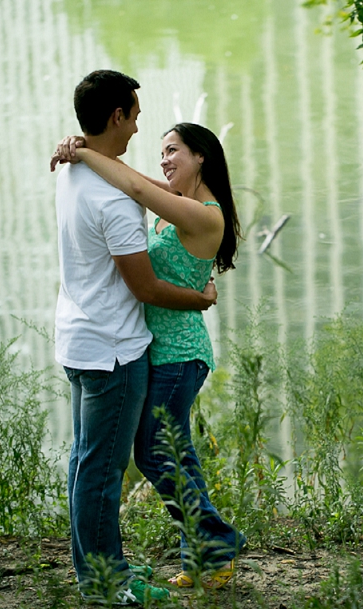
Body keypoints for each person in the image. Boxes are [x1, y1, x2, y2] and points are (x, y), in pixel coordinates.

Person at [52, 122, 246, 589]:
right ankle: (205, 556)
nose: (164, 160)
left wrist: (81, 155)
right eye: (161, 152)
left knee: (157, 453)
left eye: (173, 150)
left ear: (202, 156)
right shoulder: (176, 199)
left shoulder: (205, 215)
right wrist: (80, 147)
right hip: (153, 349)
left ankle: (215, 544)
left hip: (180, 354)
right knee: (171, 452)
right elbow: (129, 176)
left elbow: (133, 185)